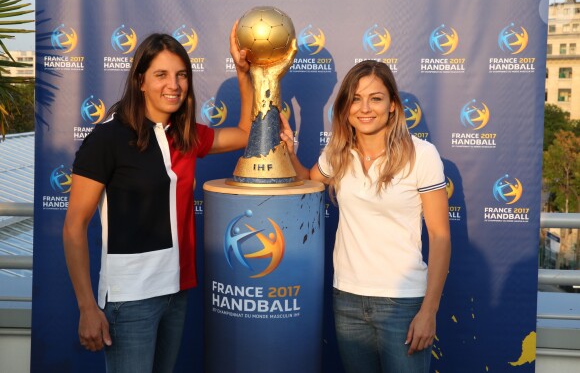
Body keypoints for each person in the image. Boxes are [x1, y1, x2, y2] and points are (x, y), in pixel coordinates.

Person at [62, 24, 253, 373]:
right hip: (129, 300)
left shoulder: (185, 136)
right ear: (140, 80)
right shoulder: (108, 138)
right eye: (161, 74)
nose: (174, 85)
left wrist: (243, 74)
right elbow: (74, 227)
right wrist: (87, 307)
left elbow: (244, 134)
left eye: (181, 75)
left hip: (176, 293)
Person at [280, 60, 451, 373]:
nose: (365, 108)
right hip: (347, 299)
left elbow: (440, 237)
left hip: (402, 303)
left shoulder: (422, 154)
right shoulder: (339, 152)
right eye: (356, 99)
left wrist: (429, 310)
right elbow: (308, 182)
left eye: (376, 98)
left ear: (392, 106)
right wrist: (290, 152)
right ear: (345, 108)